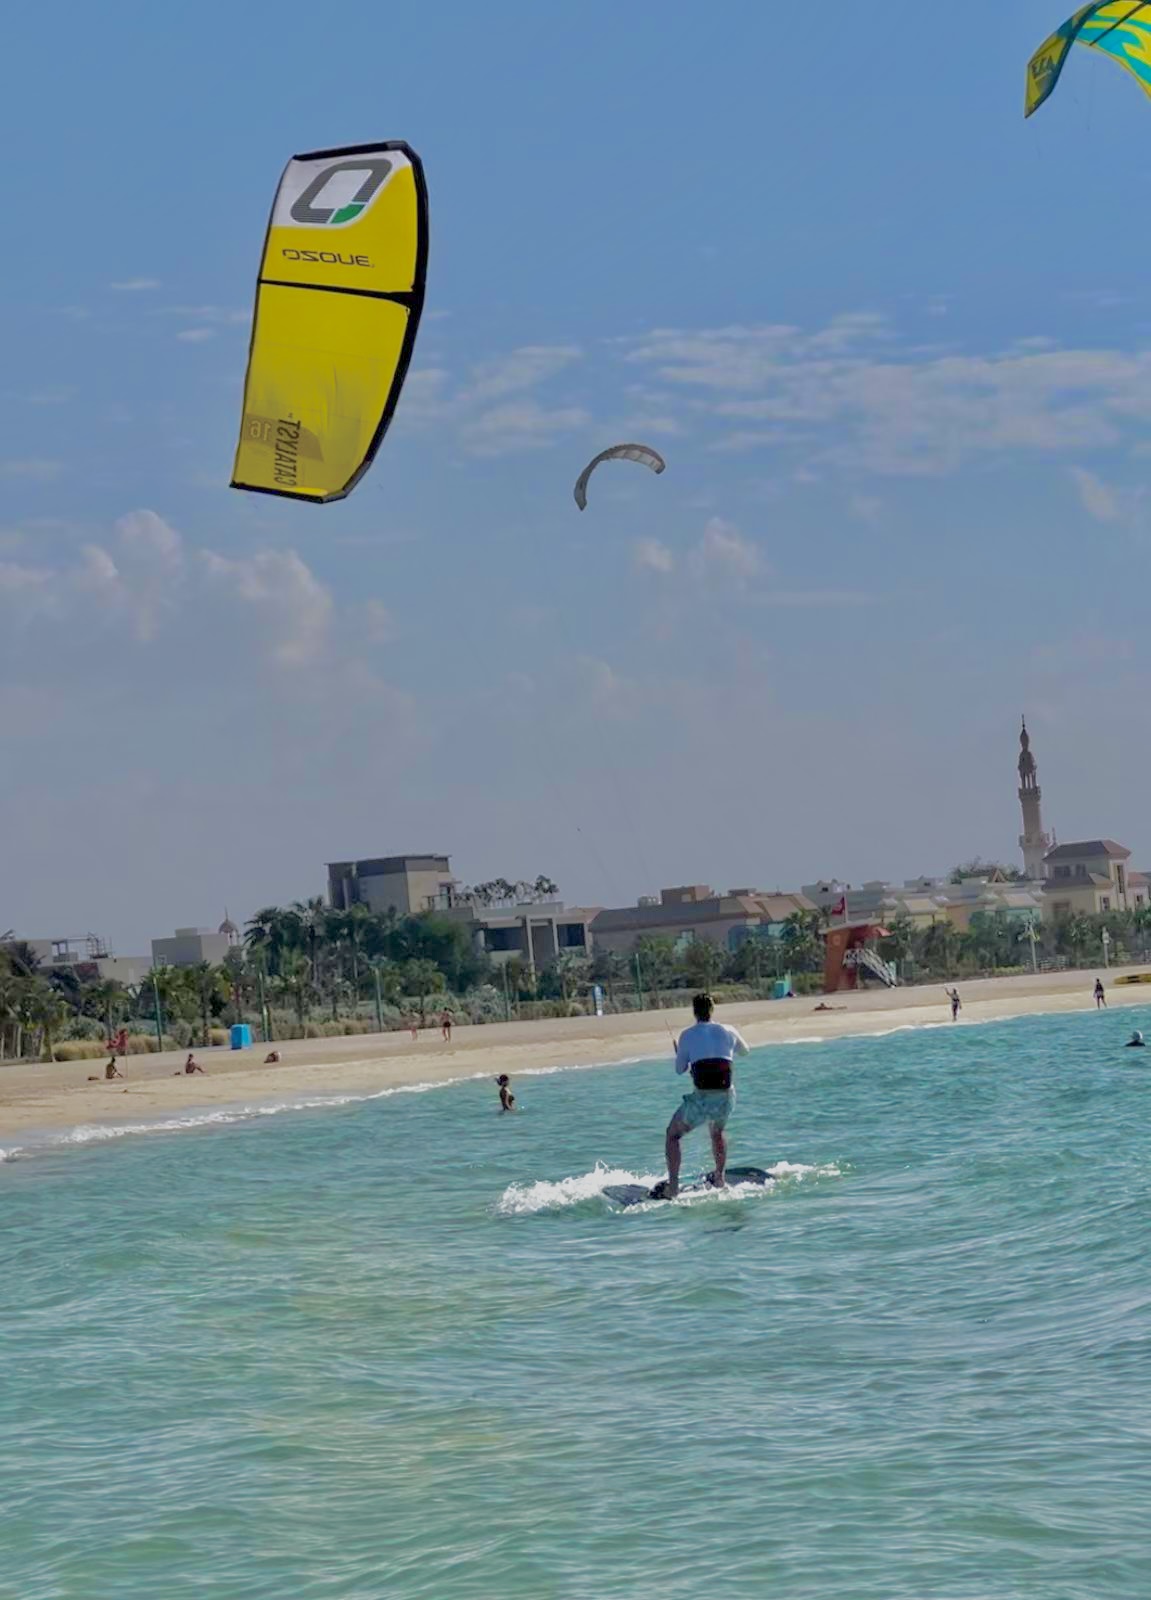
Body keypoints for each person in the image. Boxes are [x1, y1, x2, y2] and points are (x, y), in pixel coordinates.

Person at [650, 993, 750, 1200]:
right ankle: (720, 1179)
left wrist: (681, 1053)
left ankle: (673, 1188)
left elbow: (680, 1070)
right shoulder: (729, 1030)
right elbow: (745, 1052)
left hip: (703, 1099)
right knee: (717, 1132)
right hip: (726, 1098)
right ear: (712, 1010)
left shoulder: (687, 1035)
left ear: (694, 1012)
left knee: (672, 1135)